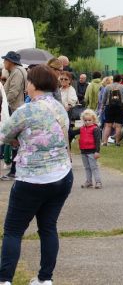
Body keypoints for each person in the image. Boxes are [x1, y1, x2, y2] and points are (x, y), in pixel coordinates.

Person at [0, 65, 73, 285]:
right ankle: (45, 279)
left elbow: (4, 134)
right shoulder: (59, 107)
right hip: (61, 174)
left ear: (33, 85)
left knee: (13, 231)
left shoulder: (26, 110)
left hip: (32, 178)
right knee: (48, 227)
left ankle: (4, 279)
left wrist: (17, 139)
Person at [1, 51, 27, 180]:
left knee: (15, 141)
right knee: (16, 141)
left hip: (15, 109)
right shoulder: (18, 71)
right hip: (17, 108)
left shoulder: (17, 72)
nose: (4, 62)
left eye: (5, 60)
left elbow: (13, 92)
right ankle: (15, 170)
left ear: (11, 61)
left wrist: (3, 104)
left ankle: (15, 171)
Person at [71, 109, 102, 189]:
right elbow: (72, 132)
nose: (87, 122)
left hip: (92, 151)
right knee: (87, 167)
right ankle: (89, 181)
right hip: (83, 151)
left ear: (93, 120)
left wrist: (97, 151)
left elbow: (97, 141)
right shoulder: (82, 128)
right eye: (85, 120)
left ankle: (98, 182)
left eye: (89, 120)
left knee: (94, 167)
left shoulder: (95, 129)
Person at [100, 74, 123, 146]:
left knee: (108, 125)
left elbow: (104, 98)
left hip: (109, 107)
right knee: (118, 126)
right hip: (120, 107)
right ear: (120, 80)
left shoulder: (108, 87)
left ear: (113, 79)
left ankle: (105, 142)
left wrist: (102, 106)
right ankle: (117, 142)